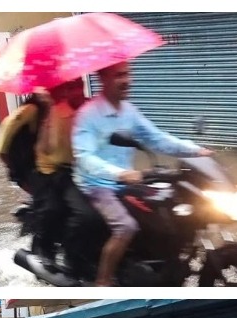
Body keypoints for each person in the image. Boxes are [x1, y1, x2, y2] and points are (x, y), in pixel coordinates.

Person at [70, 61, 213, 286]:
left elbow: (157, 138)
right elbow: (84, 157)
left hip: (127, 180)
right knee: (126, 227)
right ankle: (103, 282)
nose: (125, 80)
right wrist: (119, 173)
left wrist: (196, 151)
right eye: (118, 75)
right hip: (97, 184)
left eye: (127, 74)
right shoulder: (88, 115)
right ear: (103, 79)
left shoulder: (129, 111)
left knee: (170, 209)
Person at [0, 78, 86, 268]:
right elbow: (1, 147)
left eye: (78, 84)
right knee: (53, 206)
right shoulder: (32, 110)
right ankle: (46, 253)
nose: (75, 89)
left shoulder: (76, 108)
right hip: (34, 170)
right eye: (69, 86)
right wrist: (19, 173)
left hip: (67, 169)